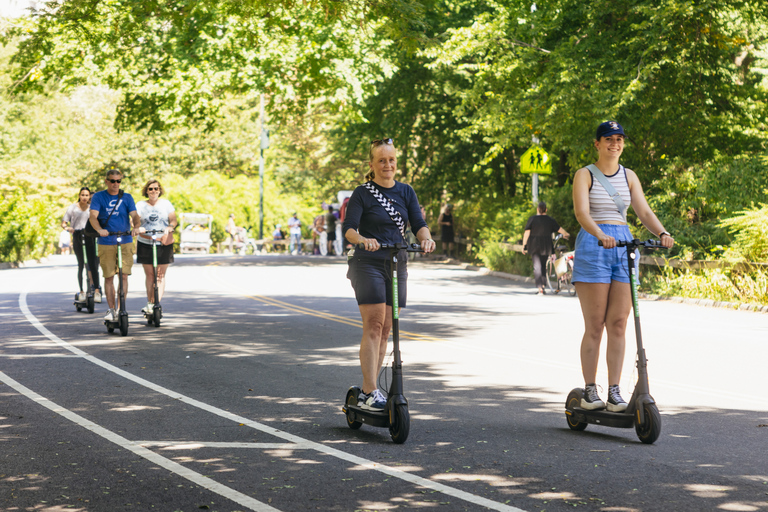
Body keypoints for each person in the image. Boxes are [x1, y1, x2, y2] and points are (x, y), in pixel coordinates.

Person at [572, 121, 674, 412]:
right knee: (595, 325)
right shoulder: (585, 174)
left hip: (624, 244)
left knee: (618, 323)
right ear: (597, 144)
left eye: (619, 139)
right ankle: (591, 389)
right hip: (595, 243)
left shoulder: (629, 176)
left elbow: (642, 210)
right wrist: (599, 234)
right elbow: (582, 212)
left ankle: (615, 390)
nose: (614, 144)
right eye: (608, 139)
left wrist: (662, 233)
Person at [342, 138, 436, 410]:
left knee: (386, 330)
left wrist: (426, 239)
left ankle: (368, 390)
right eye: (381, 160)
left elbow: (419, 224)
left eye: (391, 160)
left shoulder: (406, 192)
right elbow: (349, 228)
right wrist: (362, 239)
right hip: (368, 262)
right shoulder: (362, 193)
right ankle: (371, 391)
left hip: (396, 263)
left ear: (397, 162)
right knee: (374, 324)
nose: (387, 165)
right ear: (371, 164)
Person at [89, 169, 140, 322]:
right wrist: (99, 230)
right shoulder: (99, 197)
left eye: (119, 181)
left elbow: (135, 216)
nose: (116, 184)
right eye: (113, 181)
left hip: (125, 240)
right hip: (106, 241)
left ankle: (120, 308)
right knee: (109, 276)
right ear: (107, 181)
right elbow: (93, 216)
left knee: (124, 275)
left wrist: (136, 226)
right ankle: (111, 309)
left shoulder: (127, 197)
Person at [136, 179, 177, 315]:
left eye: (156, 189)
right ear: (146, 191)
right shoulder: (141, 205)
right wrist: (137, 227)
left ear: (160, 190)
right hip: (145, 241)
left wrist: (170, 227)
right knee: (150, 275)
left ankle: (156, 304)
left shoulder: (166, 204)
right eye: (151, 189)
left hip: (163, 242)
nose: (154, 191)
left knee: (160, 275)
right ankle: (150, 302)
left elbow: (173, 219)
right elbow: (135, 219)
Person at [62, 187, 102, 303]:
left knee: (93, 264)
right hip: (77, 235)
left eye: (87, 195)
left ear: (90, 197)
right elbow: (64, 223)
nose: (84, 197)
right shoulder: (73, 208)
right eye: (82, 195)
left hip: (90, 236)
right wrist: (68, 228)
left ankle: (97, 291)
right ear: (79, 195)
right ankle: (81, 291)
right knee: (81, 264)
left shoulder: (92, 209)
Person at [522, 201, 570, 294]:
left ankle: (540, 287)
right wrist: (566, 234)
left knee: (537, 266)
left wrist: (524, 245)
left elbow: (527, 233)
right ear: (546, 210)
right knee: (543, 265)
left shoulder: (532, 219)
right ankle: (543, 285)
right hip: (546, 246)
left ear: (537, 209)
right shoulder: (550, 220)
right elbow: (559, 229)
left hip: (534, 245)